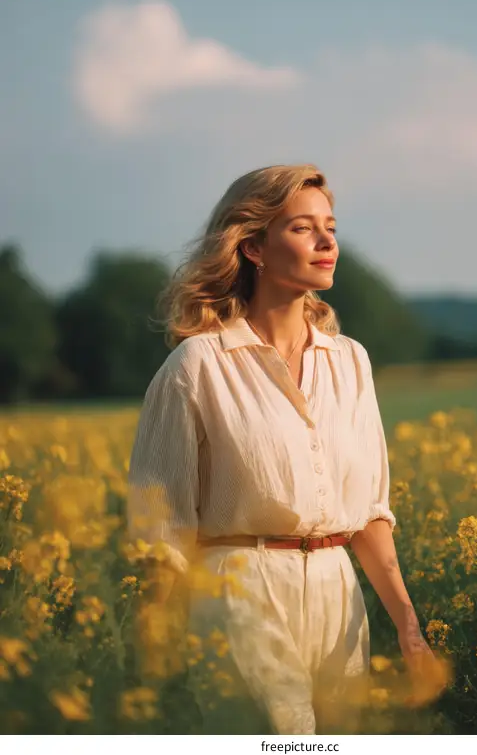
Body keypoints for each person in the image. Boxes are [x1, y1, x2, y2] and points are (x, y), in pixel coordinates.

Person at [127, 163, 439, 734]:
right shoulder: (197, 366)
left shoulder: (351, 361)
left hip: (336, 588)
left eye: (331, 227)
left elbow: (368, 511)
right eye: (302, 228)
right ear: (253, 248)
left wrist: (407, 625)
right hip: (239, 589)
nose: (327, 242)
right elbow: (161, 527)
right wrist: (148, 651)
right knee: (286, 740)